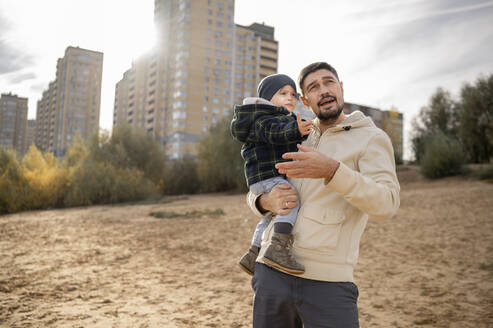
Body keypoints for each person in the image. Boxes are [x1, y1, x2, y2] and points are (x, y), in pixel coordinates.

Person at [246, 62, 400, 328]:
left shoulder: (372, 138)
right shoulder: (294, 133)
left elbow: (387, 203)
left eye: (329, 82)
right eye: (313, 87)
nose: (324, 91)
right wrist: (263, 201)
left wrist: (332, 171)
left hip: (328, 282)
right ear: (305, 100)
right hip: (271, 274)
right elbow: (258, 184)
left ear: (341, 88)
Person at [231, 74, 313, 276]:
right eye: (283, 93)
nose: (290, 98)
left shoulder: (277, 119)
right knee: (290, 202)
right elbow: (274, 132)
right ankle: (278, 248)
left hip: (263, 181)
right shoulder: (262, 119)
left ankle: (254, 252)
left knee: (270, 217)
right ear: (268, 99)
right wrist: (296, 128)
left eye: (293, 94)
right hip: (268, 177)